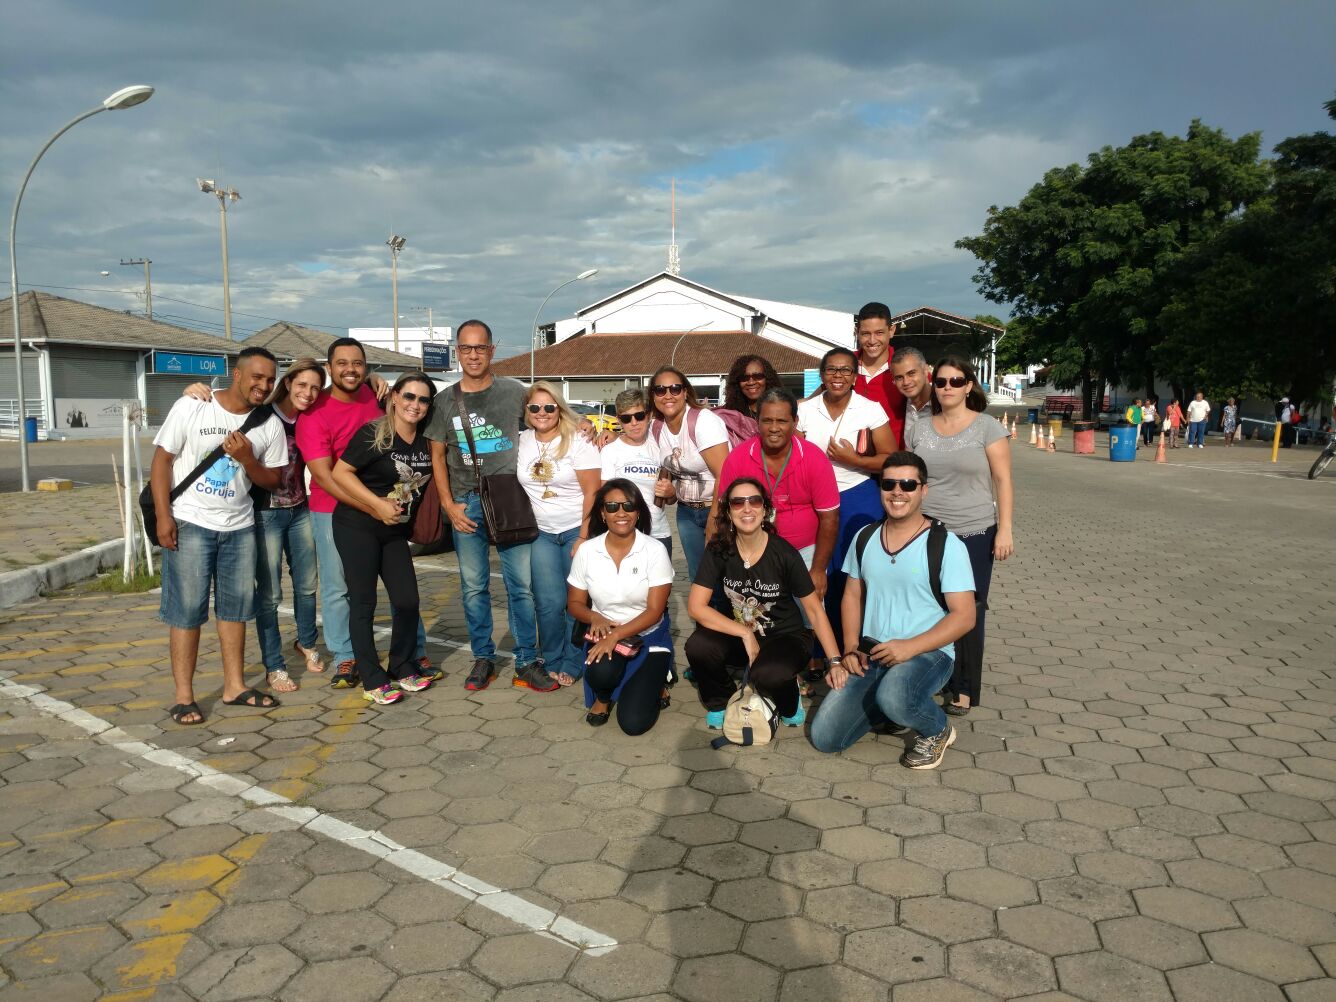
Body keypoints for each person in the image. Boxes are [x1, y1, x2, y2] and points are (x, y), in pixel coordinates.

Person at [809, 452, 977, 768]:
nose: (897, 491)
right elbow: (851, 595)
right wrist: (850, 648)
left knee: (896, 696)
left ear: (923, 490)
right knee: (826, 738)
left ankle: (938, 729)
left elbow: (965, 615)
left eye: (908, 484)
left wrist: (909, 647)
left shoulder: (946, 544)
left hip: (928, 653)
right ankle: (891, 706)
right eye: (889, 484)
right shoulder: (866, 537)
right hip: (872, 653)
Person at [151, 347, 288, 726]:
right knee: (187, 612)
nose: (264, 385)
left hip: (239, 527)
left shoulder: (268, 424)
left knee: (235, 611)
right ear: (238, 375)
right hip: (191, 522)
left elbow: (273, 481)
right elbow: (162, 461)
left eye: (270, 379)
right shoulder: (194, 406)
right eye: (257, 377)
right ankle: (184, 697)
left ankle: (235, 687)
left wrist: (247, 459)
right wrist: (165, 517)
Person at [180, 360, 330, 693]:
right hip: (265, 514)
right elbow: (223, 407)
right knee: (270, 594)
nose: (309, 393)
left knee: (307, 584)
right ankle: (274, 665)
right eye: (302, 385)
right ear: (288, 383)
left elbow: (350, 390)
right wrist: (193, 389)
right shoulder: (262, 414)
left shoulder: (310, 416)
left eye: (316, 387)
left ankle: (306, 642)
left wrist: (376, 378)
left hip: (300, 509)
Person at [297, 338, 432, 689]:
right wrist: (374, 506)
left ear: (367, 368)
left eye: (357, 363)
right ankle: (347, 658)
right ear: (329, 368)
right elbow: (327, 475)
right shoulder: (314, 410)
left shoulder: (377, 397)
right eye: (341, 363)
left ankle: (407, 659)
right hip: (335, 508)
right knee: (342, 591)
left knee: (403, 596)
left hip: (384, 512)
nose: (350, 369)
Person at [425, 320, 541, 692]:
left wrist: (591, 428)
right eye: (465, 348)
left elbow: (549, 419)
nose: (473, 355)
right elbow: (438, 455)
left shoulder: (513, 393)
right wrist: (449, 505)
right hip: (466, 503)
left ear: (492, 350)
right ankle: (483, 658)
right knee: (474, 587)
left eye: (480, 348)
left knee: (520, 586)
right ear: (457, 352)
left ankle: (526, 658)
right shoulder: (444, 401)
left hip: (510, 500)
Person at [685, 478, 845, 729]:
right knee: (698, 645)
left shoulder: (785, 554)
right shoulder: (719, 550)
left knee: (767, 676)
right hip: (740, 634)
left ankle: (789, 698)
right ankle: (720, 700)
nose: (746, 508)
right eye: (738, 502)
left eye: (754, 501)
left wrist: (835, 661)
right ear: (728, 511)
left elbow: (814, 609)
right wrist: (744, 634)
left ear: (766, 509)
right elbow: (695, 607)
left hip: (785, 637)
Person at [905, 355, 1013, 717]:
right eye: (941, 382)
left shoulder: (987, 427)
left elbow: (1003, 481)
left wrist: (1006, 530)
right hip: (928, 532)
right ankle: (931, 677)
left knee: (968, 611)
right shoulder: (920, 426)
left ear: (969, 386)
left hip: (974, 532)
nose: (947, 388)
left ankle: (964, 688)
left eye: (956, 381)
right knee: (928, 606)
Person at [330, 373, 439, 706]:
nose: (414, 405)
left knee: (407, 601)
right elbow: (339, 473)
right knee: (364, 603)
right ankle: (372, 676)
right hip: (357, 526)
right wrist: (376, 504)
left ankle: (402, 665)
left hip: (395, 531)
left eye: (422, 399)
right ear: (394, 397)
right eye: (409, 396)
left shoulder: (427, 440)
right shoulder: (374, 435)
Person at [796, 348, 895, 663]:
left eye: (845, 370)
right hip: (813, 498)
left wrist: (854, 459)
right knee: (815, 572)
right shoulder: (805, 410)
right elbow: (792, 455)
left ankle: (857, 645)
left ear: (855, 376)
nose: (838, 376)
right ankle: (818, 649)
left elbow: (890, 459)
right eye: (831, 370)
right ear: (822, 374)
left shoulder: (870, 409)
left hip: (857, 493)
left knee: (853, 573)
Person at [567, 480, 674, 734]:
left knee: (633, 724)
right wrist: (595, 616)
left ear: (638, 512)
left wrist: (615, 635)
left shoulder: (655, 550)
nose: (621, 512)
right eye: (612, 506)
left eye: (629, 505)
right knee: (601, 674)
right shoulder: (587, 551)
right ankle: (603, 698)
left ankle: (659, 677)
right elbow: (574, 603)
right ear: (602, 514)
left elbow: (654, 611)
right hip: (606, 633)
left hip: (648, 635)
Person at [714, 388, 840, 593]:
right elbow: (724, 512)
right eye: (767, 420)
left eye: (782, 421)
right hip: (751, 552)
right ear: (757, 421)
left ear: (795, 422)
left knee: (809, 618)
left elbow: (830, 518)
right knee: (757, 618)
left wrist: (818, 569)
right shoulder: (738, 458)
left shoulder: (814, 458)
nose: (774, 428)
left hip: (805, 553)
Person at [517, 381, 600, 689]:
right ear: (526, 411)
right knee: (548, 602)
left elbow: (593, 491)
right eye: (535, 407)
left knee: (576, 601)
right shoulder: (522, 440)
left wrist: (583, 535)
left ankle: (574, 659)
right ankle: (551, 659)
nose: (542, 413)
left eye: (549, 407)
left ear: (559, 408)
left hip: (575, 531)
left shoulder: (578, 438)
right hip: (540, 533)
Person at [648, 365, 730, 585]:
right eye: (660, 390)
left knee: (723, 578)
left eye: (675, 388)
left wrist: (715, 519)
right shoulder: (656, 427)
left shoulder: (703, 421)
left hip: (717, 509)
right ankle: (702, 620)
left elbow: (725, 474)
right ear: (653, 396)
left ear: (685, 392)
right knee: (699, 579)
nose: (668, 395)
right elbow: (631, 438)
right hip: (686, 514)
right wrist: (602, 434)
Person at [600, 389, 674, 555]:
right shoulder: (610, 451)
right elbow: (604, 497)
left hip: (658, 532)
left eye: (639, 416)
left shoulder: (660, 445)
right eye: (626, 418)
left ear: (648, 415)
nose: (634, 423)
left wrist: (671, 492)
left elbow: (670, 499)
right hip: (624, 534)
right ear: (619, 420)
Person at [852, 302, 908, 448]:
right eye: (865, 333)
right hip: (848, 463)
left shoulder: (907, 368)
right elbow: (813, 402)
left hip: (893, 464)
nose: (872, 340)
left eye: (879, 333)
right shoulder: (844, 366)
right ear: (857, 332)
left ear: (892, 330)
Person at [721, 355, 782, 421]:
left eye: (758, 376)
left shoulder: (783, 410)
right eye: (744, 378)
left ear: (768, 379)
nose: (751, 382)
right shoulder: (727, 416)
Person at [891, 347, 932, 440]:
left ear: (925, 370)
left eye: (911, 373)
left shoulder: (944, 402)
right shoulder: (905, 402)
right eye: (899, 377)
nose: (906, 382)